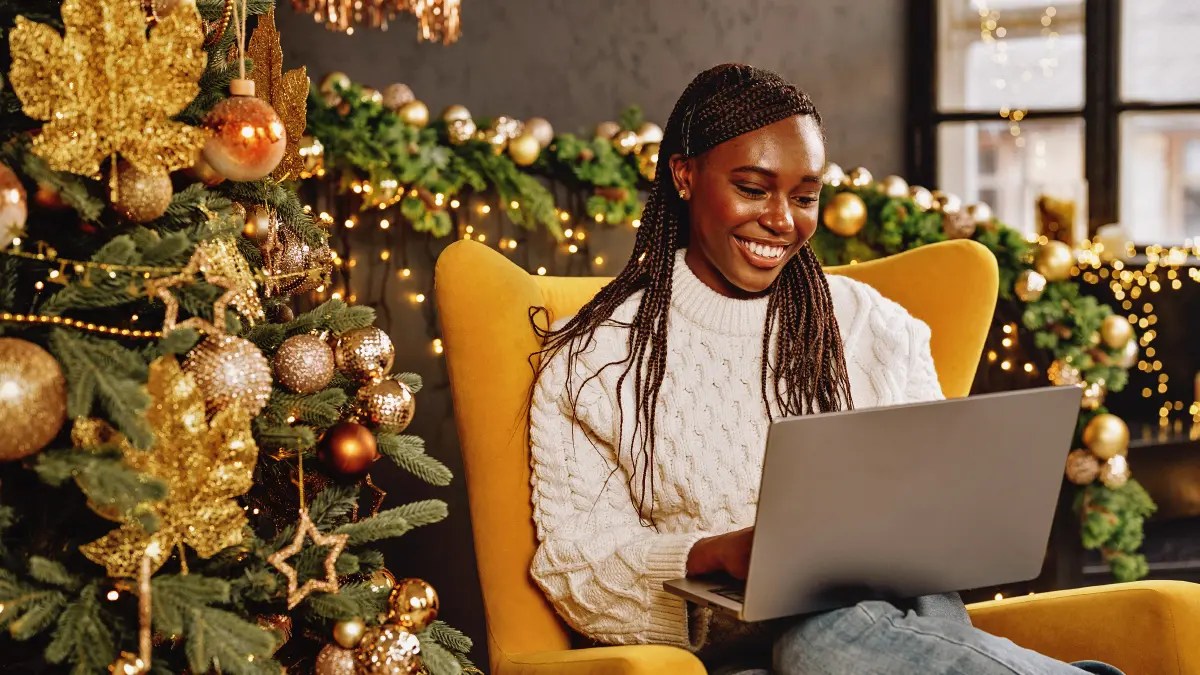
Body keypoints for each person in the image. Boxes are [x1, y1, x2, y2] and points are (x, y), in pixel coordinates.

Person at [527, 63, 1121, 675]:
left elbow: (940, 510)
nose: (783, 221)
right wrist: (711, 553)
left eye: (805, 197)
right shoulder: (594, 360)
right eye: (752, 189)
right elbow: (577, 568)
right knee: (809, 645)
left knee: (820, 642)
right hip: (746, 651)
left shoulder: (874, 327)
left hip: (907, 617)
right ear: (685, 175)